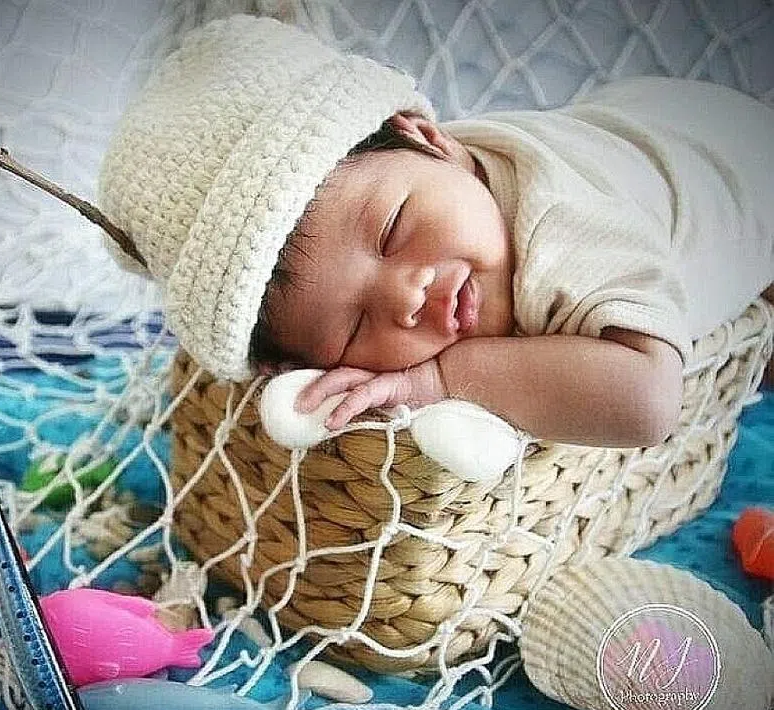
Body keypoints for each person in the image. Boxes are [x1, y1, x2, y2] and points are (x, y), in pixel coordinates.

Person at [98, 14, 774, 448]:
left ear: (429, 137)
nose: (407, 296)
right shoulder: (419, 181)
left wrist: (442, 377)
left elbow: (648, 404)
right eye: (355, 329)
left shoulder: (566, 227)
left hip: (739, 163)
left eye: (394, 231)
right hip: (640, 119)